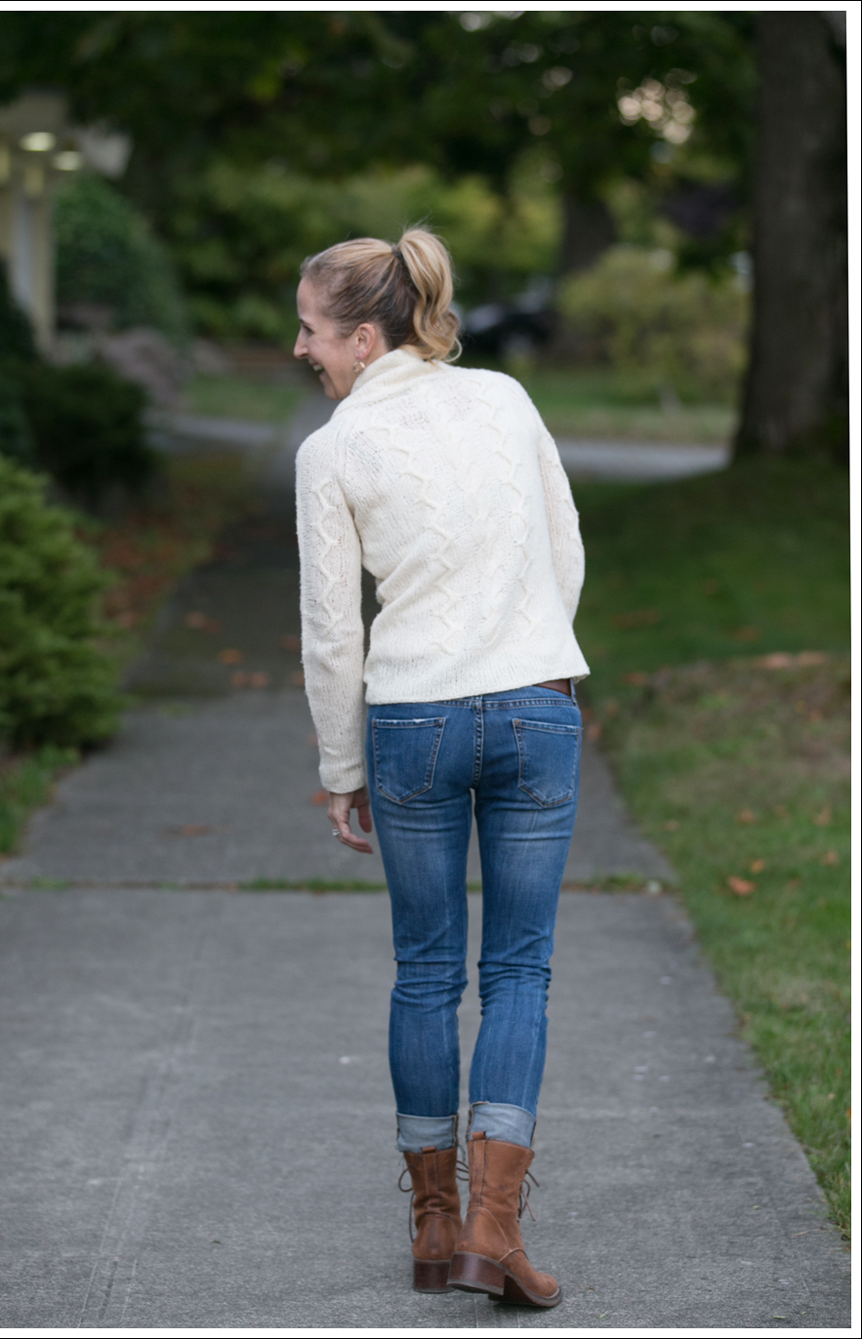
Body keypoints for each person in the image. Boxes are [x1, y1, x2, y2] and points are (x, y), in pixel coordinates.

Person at [294, 228, 588, 1309]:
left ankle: (432, 1227)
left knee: (427, 973)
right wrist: (527, 646)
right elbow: (566, 548)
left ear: (364, 338)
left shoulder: (331, 451)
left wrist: (341, 767)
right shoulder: (506, 400)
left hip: (412, 719)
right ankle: (493, 1232)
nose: (303, 349)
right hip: (536, 706)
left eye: (314, 331)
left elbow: (334, 634)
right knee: (520, 971)